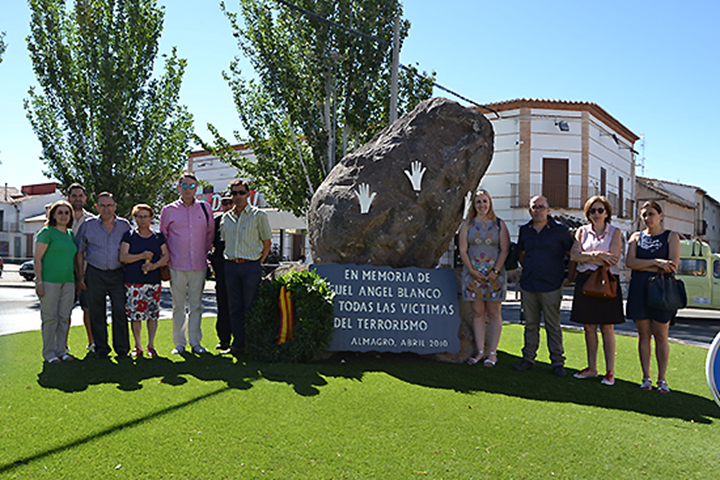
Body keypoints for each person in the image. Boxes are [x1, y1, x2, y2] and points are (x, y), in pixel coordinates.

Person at [514, 195, 574, 376]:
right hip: (529, 284)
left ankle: (557, 362)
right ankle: (528, 359)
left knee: (553, 325)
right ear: (530, 210)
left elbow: (573, 254)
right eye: (534, 207)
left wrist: (570, 277)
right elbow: (521, 254)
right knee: (530, 325)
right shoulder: (525, 231)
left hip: (552, 285)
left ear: (549, 210)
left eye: (541, 207)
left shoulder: (560, 231)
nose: (538, 210)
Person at [569, 196, 624, 386]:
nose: (596, 214)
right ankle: (592, 368)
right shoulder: (581, 232)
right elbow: (575, 256)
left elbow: (614, 259)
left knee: (607, 327)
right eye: (592, 210)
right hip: (586, 282)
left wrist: (589, 258)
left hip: (607, 281)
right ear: (588, 213)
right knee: (589, 327)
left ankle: (610, 372)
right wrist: (597, 255)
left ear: (607, 213)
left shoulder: (615, 232)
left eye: (600, 210)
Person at [626, 201, 680, 393]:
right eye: (644, 215)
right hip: (639, 289)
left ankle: (662, 380)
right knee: (643, 335)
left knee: (661, 336)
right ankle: (646, 378)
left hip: (662, 291)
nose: (647, 218)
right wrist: (656, 262)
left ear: (660, 215)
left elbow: (672, 265)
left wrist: (645, 265)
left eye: (651, 214)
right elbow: (630, 262)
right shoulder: (635, 237)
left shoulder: (671, 237)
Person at [160, 172, 214, 355]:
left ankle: (196, 343)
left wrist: (203, 254)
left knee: (197, 306)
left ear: (196, 188)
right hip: (176, 265)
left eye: (192, 186)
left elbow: (210, 235)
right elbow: (163, 237)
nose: (188, 189)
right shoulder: (168, 210)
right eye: (185, 185)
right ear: (179, 187)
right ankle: (179, 344)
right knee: (178, 307)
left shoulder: (206, 209)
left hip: (199, 264)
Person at [75, 192, 131, 359]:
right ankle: (101, 349)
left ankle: (122, 350)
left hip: (118, 274)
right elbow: (79, 252)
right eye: (102, 205)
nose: (106, 209)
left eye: (109, 205)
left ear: (115, 206)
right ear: (96, 207)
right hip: (94, 273)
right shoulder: (88, 225)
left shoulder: (124, 225)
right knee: (96, 313)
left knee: (120, 312)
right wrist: (80, 276)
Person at [220, 179, 271, 356]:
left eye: (241, 192)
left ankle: (252, 345)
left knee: (250, 306)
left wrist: (259, 262)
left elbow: (267, 242)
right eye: (234, 193)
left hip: (251, 267)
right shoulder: (226, 218)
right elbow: (225, 241)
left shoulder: (259, 215)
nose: (238, 196)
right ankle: (238, 345)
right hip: (231, 267)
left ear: (248, 194)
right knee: (234, 308)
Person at [458, 189, 510, 367]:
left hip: (495, 275)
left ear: (490, 203)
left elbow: (504, 249)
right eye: (478, 202)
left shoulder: (499, 224)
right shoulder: (467, 224)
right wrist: (472, 270)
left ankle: (492, 353)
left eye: (485, 201)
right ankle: (480, 351)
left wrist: (494, 271)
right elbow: (463, 250)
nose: (482, 205)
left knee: (494, 313)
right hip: (473, 275)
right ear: (474, 205)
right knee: (478, 313)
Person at [119, 204, 169, 358]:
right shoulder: (129, 236)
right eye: (139, 216)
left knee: (152, 315)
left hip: (152, 282)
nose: (142, 220)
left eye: (145, 216)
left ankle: (151, 346)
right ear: (134, 218)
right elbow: (123, 257)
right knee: (136, 316)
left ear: (151, 218)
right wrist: (141, 256)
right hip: (133, 281)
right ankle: (138, 346)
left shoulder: (158, 236)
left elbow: (166, 256)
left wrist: (154, 265)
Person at [35, 200, 77, 364]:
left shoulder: (70, 234)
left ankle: (62, 351)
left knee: (64, 318)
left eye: (67, 213)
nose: (63, 216)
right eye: (60, 212)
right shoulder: (46, 233)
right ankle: (49, 353)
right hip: (49, 282)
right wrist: (39, 282)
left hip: (68, 282)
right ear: (53, 215)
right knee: (50, 318)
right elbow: (37, 258)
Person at [66, 183, 95, 353]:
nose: (77, 198)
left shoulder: (92, 220)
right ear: (69, 198)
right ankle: (63, 344)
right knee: (64, 311)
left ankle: (92, 343)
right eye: (74, 195)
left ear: (85, 198)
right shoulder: (61, 218)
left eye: (80, 195)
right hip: (65, 272)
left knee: (89, 309)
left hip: (87, 272)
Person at [209, 191, 234, 350]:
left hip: (239, 266)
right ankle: (224, 339)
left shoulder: (244, 218)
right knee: (223, 305)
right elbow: (209, 242)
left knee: (240, 305)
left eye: (230, 203)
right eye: (224, 203)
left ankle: (242, 341)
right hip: (222, 269)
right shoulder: (216, 220)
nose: (227, 206)